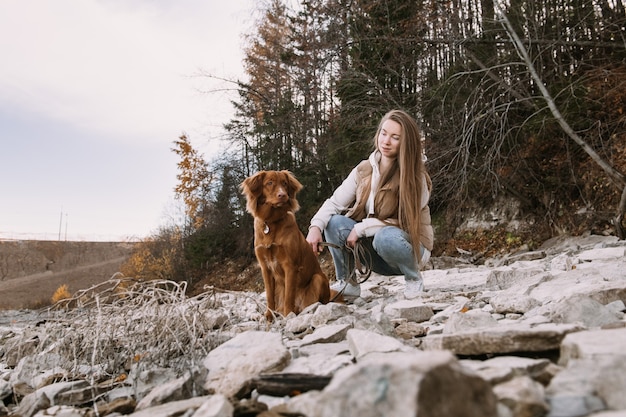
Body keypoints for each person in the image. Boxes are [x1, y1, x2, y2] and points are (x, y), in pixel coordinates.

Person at [306, 109, 434, 299]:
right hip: (375, 251)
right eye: (383, 133)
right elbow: (334, 202)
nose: (386, 141)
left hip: (409, 249)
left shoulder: (416, 177)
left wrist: (362, 228)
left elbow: (406, 223)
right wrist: (315, 226)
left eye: (395, 137)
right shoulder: (364, 169)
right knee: (333, 223)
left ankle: (414, 279)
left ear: (406, 142)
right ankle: (347, 283)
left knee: (385, 237)